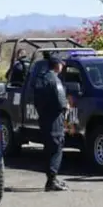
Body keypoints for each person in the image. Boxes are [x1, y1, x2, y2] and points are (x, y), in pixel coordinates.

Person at [32, 54, 69, 191]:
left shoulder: (41, 78)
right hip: (54, 118)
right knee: (56, 147)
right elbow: (60, 101)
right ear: (57, 65)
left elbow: (35, 100)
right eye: (61, 64)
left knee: (48, 148)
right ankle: (52, 180)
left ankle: (51, 178)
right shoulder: (55, 80)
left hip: (44, 117)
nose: (63, 66)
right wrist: (66, 106)